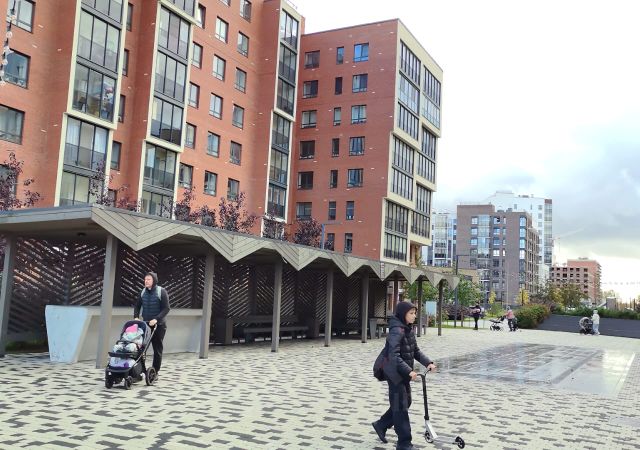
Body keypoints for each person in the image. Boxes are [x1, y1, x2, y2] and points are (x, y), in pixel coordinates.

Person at [372, 301, 436, 450]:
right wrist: (408, 371)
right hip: (394, 374)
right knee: (401, 408)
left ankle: (381, 424)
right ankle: (404, 444)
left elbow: (415, 351)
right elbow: (393, 356)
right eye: (411, 313)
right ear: (403, 314)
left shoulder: (408, 329)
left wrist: (428, 363)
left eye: (415, 313)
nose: (414, 316)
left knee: (405, 403)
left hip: (403, 373)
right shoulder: (397, 330)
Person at [134, 272, 170, 374]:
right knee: (141, 348)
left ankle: (154, 372)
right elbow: (137, 306)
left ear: (154, 281)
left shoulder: (161, 291)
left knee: (157, 349)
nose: (146, 281)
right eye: (145, 279)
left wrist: (156, 319)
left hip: (159, 325)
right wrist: (136, 317)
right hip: (146, 325)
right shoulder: (142, 292)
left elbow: (166, 308)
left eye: (148, 279)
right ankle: (139, 371)